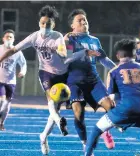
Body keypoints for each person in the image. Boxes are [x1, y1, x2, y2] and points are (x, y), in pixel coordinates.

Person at [0, 5, 100, 155]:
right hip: (46, 73)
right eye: (42, 23)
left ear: (53, 25)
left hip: (64, 75)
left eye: (48, 24)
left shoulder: (58, 36)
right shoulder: (34, 37)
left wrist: (62, 50)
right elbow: (15, 49)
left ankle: (43, 137)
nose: (44, 26)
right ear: (39, 23)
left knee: (64, 109)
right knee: (52, 104)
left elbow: (63, 51)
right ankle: (60, 122)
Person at [85, 39, 140, 156]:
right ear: (135, 54)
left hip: (125, 109)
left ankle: (87, 154)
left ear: (117, 55)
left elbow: (111, 98)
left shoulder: (113, 71)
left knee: (96, 130)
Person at [64, 9, 116, 154]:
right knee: (78, 113)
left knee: (111, 108)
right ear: (72, 25)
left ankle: (105, 131)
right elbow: (67, 59)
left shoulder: (94, 40)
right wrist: (84, 52)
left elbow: (103, 59)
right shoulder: (69, 39)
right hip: (75, 80)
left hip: (93, 80)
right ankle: (86, 144)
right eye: (79, 20)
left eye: (84, 19)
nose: (83, 21)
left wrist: (118, 69)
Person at [0, 29, 27, 131]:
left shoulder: (17, 52)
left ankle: (1, 123)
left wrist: (22, 72)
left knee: (7, 104)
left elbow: (23, 64)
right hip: (0, 81)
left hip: (11, 82)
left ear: (14, 39)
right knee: (2, 100)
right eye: (7, 37)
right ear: (3, 39)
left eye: (11, 37)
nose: (9, 39)